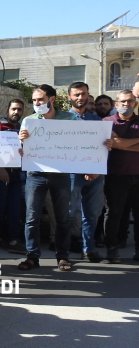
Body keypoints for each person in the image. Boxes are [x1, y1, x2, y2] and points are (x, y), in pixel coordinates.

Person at [18, 84, 82, 272]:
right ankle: (32, 256)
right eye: (34, 100)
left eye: (40, 99)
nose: (36, 103)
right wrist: (21, 141)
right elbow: (20, 151)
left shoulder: (69, 119)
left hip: (61, 174)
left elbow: (81, 142)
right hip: (35, 174)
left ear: (52, 99)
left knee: (62, 217)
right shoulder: (29, 120)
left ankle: (63, 256)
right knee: (31, 218)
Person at [67, 82, 105, 262]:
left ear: (88, 95)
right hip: (71, 174)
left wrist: (95, 169)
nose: (80, 97)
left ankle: (88, 249)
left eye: (83, 94)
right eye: (76, 94)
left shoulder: (98, 122)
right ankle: (64, 250)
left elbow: (102, 148)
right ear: (69, 97)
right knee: (69, 213)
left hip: (94, 175)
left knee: (91, 213)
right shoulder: (61, 120)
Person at [102, 90, 139, 263]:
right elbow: (108, 145)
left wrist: (119, 144)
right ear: (116, 104)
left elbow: (116, 143)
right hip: (116, 176)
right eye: (123, 102)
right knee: (114, 214)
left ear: (135, 104)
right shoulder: (106, 123)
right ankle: (112, 249)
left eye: (130, 101)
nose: (126, 105)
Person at [0, 99, 27, 254]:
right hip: (3, 174)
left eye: (19, 110)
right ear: (8, 110)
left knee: (15, 208)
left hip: (18, 175)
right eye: (13, 109)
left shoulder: (23, 127)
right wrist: (1, 169)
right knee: (0, 207)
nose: (16, 112)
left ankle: (13, 239)